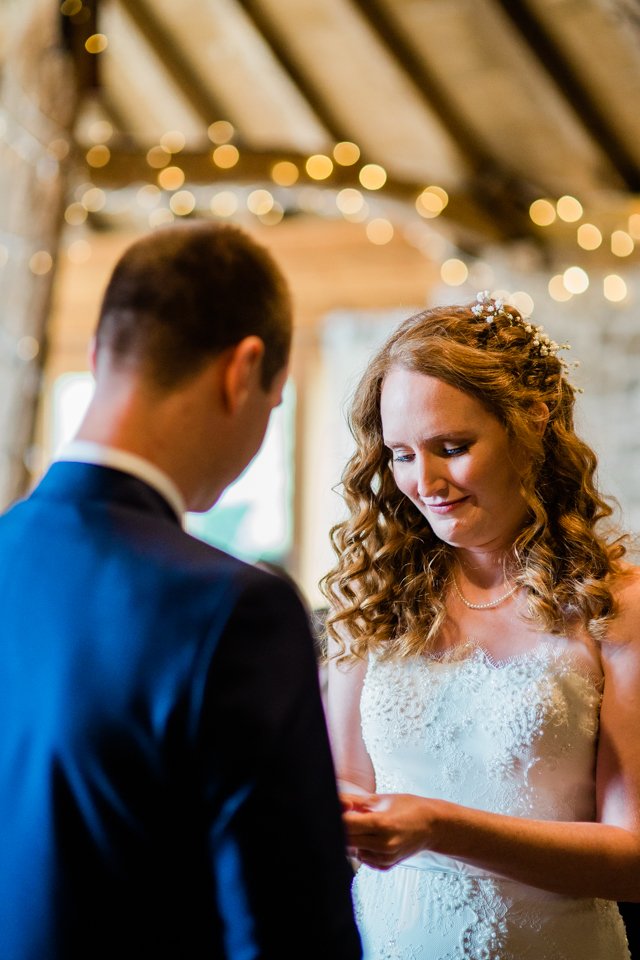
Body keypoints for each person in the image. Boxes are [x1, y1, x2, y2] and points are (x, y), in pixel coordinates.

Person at [0, 221, 362, 959]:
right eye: (277, 400)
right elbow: (288, 936)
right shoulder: (233, 612)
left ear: (102, 356)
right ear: (244, 370)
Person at [322, 291, 640, 959]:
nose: (425, 481)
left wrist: (440, 826)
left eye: (452, 446)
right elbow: (345, 794)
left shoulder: (615, 605)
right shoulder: (377, 600)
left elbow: (633, 859)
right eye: (402, 455)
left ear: (531, 419)